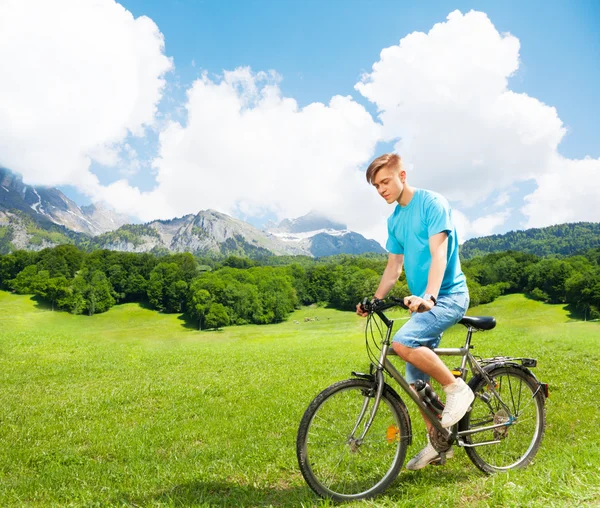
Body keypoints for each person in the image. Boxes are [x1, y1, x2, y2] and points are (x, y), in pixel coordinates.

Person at [356, 153, 473, 470]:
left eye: (385, 181)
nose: (381, 190)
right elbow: (394, 266)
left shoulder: (432, 203)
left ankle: (457, 389)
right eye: (376, 186)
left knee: (403, 343)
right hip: (425, 302)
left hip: (448, 295)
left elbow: (439, 252)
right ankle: (439, 443)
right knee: (415, 383)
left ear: (401, 176)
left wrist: (430, 297)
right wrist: (375, 300)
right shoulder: (395, 220)